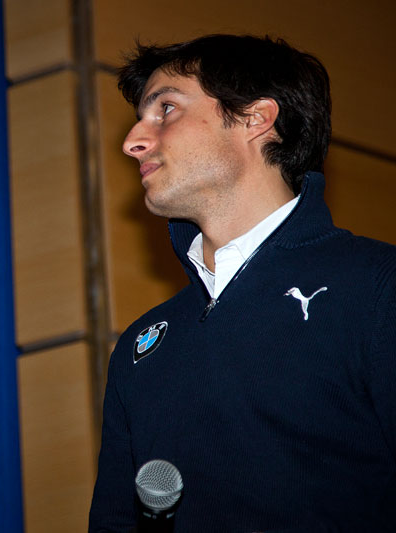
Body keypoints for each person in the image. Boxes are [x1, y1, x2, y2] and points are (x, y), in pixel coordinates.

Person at [89, 35, 396, 531]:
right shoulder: (140, 346)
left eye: (166, 108)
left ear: (256, 118)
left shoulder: (379, 288)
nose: (132, 141)